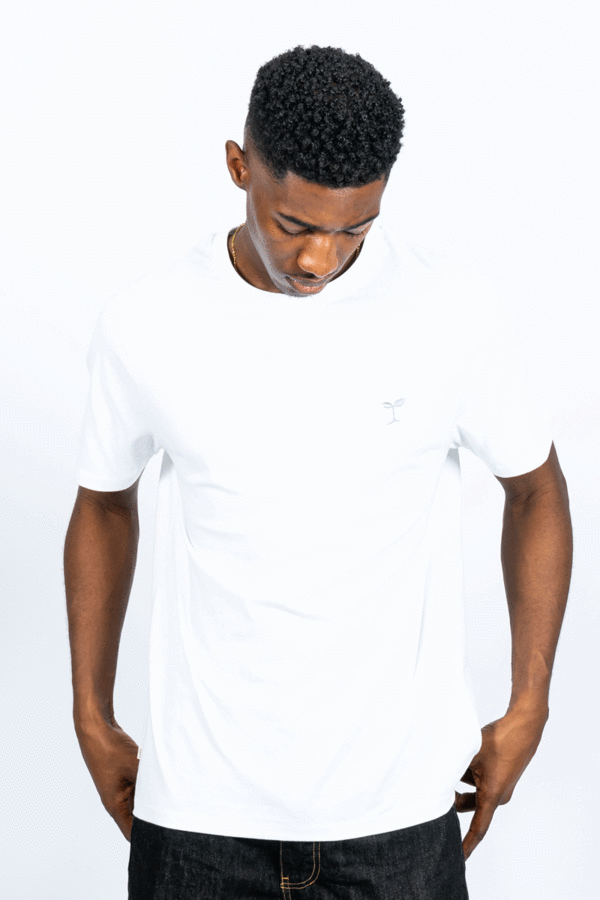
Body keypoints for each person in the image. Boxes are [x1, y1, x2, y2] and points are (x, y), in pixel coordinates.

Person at [64, 45, 573, 900]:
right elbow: (103, 504)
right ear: (240, 167)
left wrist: (532, 702)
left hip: (399, 818)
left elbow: (535, 490)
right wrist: (91, 711)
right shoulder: (148, 321)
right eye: (294, 226)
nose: (319, 260)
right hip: (198, 819)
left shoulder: (453, 313)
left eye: (353, 230)